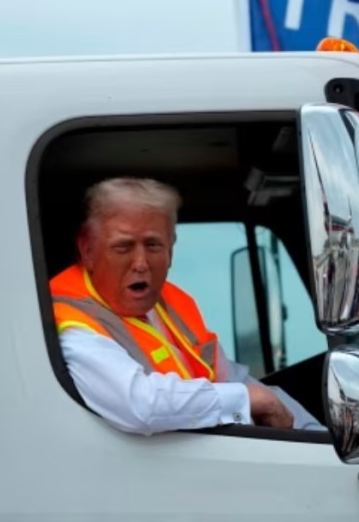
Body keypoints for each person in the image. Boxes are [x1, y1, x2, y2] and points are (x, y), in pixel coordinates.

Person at [50, 176, 324, 436]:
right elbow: (140, 405)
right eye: (123, 247)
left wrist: (314, 436)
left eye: (153, 245)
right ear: (87, 251)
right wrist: (244, 400)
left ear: (171, 250)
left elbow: (234, 379)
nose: (141, 263)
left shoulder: (171, 304)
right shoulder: (71, 321)